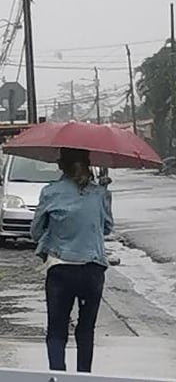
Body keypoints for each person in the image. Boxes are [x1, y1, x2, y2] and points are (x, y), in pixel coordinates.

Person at [30, 148, 113, 374]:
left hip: (61, 269)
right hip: (92, 271)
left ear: (60, 165)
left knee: (57, 329)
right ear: (88, 164)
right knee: (86, 330)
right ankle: (84, 376)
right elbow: (107, 228)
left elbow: (36, 232)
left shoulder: (50, 192)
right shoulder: (100, 193)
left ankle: (57, 376)